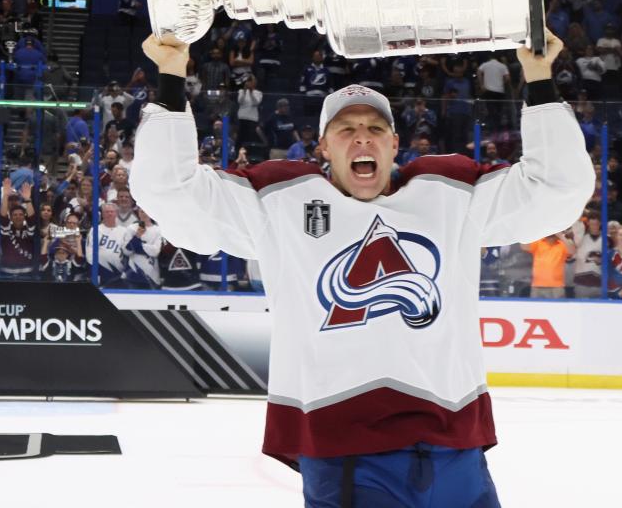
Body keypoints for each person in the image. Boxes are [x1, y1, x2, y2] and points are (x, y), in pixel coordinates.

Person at [131, 28, 592, 505]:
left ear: (395, 144)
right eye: (345, 131)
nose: (361, 140)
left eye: (374, 130)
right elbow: (171, 193)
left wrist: (539, 77)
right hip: (346, 453)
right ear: (324, 148)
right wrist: (169, 76)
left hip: (455, 444)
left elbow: (557, 192)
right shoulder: (280, 202)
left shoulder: (450, 194)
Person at [522, 230, 575, 299]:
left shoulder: (562, 244)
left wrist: (561, 236)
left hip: (557, 287)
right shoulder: (538, 242)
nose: (551, 233)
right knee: (536, 309)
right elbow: (524, 247)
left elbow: (572, 251)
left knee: (558, 309)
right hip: (538, 286)